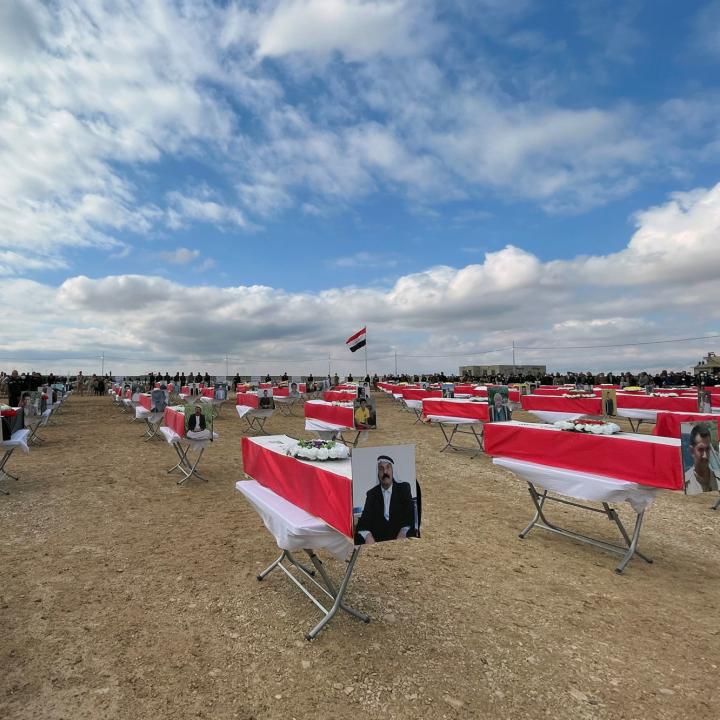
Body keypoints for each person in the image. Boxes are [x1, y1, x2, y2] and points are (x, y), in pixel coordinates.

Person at [355, 455, 415, 544]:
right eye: (381, 469)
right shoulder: (372, 494)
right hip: (378, 540)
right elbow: (364, 521)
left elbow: (410, 515)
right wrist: (368, 535)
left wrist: (403, 531)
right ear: (378, 473)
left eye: (388, 468)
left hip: (400, 537)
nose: (385, 472)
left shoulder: (404, 488)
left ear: (393, 471)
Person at [684, 425, 720, 494]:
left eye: (707, 449)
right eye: (700, 449)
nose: (705, 456)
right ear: (692, 451)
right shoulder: (686, 484)